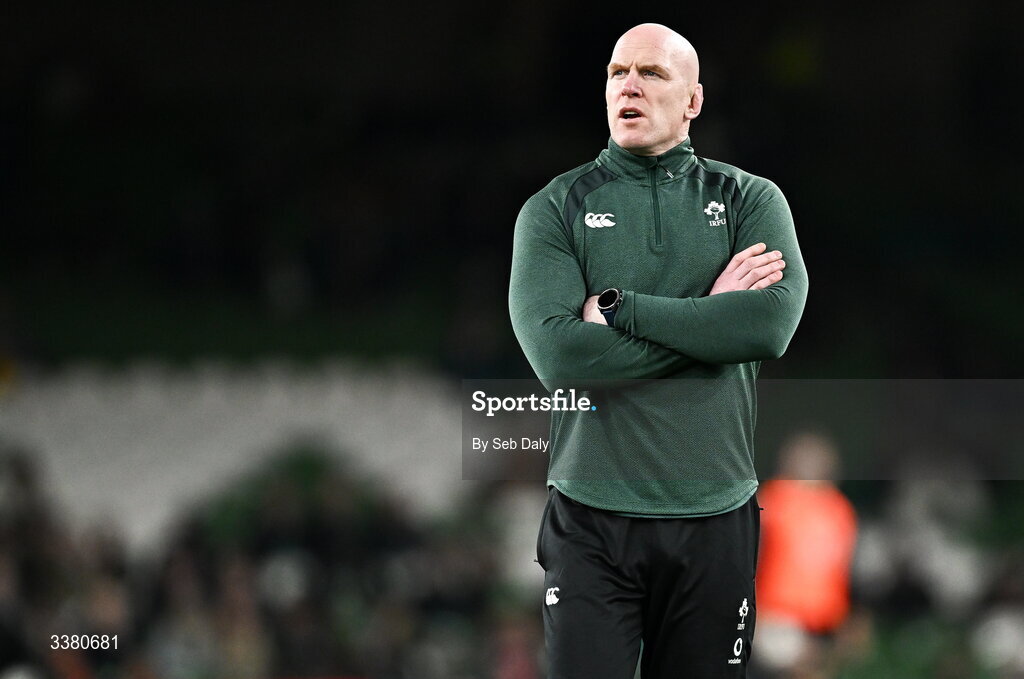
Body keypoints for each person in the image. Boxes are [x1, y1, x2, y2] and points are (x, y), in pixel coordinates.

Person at [508, 23, 808, 678]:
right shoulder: (553, 209)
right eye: (618, 72)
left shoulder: (749, 200)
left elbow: (770, 326)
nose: (630, 85)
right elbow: (561, 359)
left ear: (693, 101)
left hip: (716, 518)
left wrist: (621, 312)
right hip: (591, 521)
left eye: (652, 73)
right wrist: (711, 321)